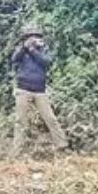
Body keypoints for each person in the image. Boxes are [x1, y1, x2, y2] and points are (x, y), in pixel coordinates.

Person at [11, 26, 67, 154]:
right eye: (30, 36)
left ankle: (62, 145)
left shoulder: (44, 50)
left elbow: (46, 62)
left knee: (50, 118)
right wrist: (25, 48)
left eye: (36, 36)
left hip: (40, 90)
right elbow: (14, 59)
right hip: (23, 89)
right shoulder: (21, 50)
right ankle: (17, 150)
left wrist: (32, 50)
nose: (33, 39)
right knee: (21, 121)